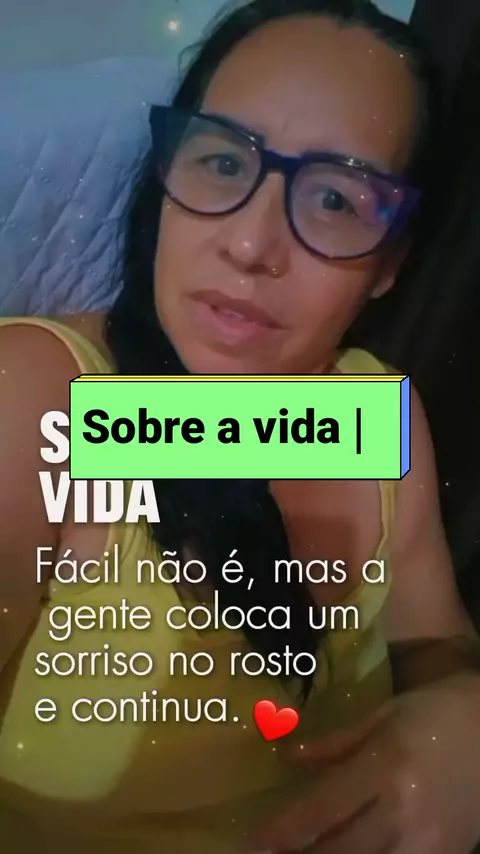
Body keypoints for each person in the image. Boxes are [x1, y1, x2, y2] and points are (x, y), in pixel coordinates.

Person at [1, 1, 480, 852]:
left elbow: (434, 638)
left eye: (334, 198)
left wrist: (463, 717)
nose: (252, 247)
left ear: (389, 264)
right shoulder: (41, 395)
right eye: (223, 162)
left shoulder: (376, 410)